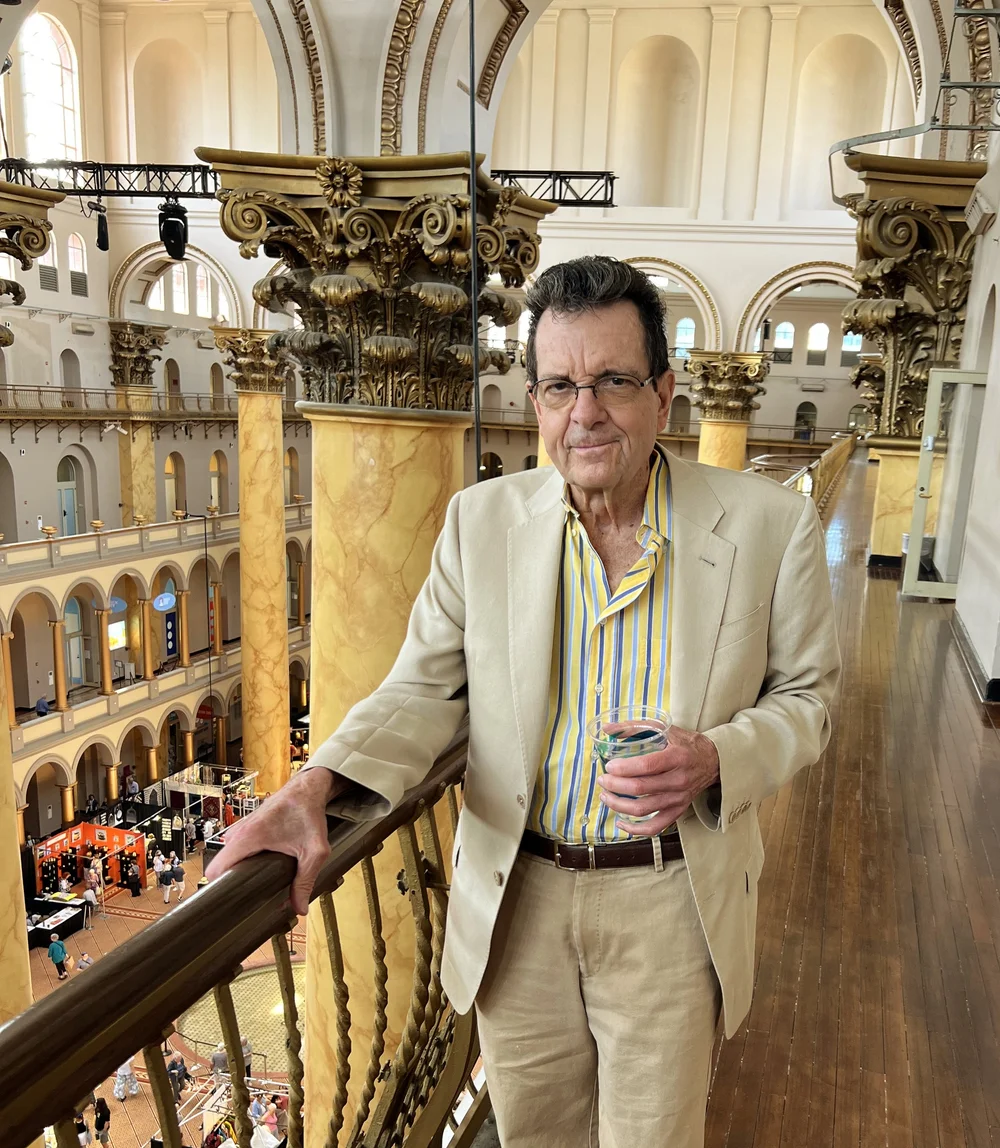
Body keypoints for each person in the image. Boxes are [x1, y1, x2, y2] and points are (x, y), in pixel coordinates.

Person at [206, 257, 840, 1147]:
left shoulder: (769, 524)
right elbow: (422, 689)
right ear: (536, 400)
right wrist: (314, 787)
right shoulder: (481, 523)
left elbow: (809, 698)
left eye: (614, 381)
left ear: (663, 394)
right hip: (519, 897)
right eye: (559, 386)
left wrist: (715, 758)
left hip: (670, 898)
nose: (586, 412)